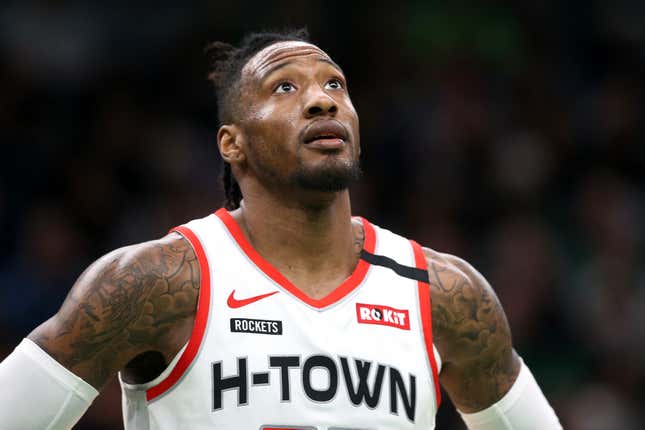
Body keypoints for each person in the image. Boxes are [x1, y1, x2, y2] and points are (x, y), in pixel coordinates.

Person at [0, 29, 562, 429]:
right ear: (232, 143)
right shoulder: (154, 282)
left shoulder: (444, 293)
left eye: (336, 86)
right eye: (285, 89)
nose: (322, 100)